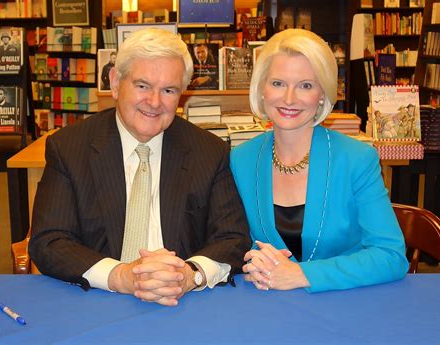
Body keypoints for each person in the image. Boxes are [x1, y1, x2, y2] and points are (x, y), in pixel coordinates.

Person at [29, 28, 251, 306]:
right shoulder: (69, 148)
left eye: (168, 90)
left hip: (182, 303)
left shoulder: (209, 151)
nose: (154, 102)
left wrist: (189, 274)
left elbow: (233, 238)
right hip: (98, 300)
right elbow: (49, 240)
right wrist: (120, 276)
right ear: (115, 82)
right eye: (143, 86)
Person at [230, 29, 408, 293]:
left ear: (322, 94)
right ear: (262, 89)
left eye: (306, 85)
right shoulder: (240, 160)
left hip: (344, 307)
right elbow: (234, 241)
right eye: (278, 83)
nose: (289, 98)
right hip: (267, 309)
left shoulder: (357, 159)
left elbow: (391, 256)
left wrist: (301, 274)